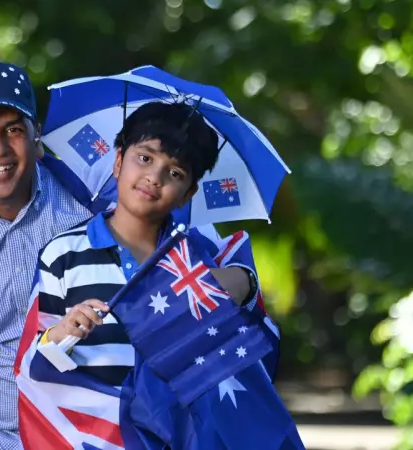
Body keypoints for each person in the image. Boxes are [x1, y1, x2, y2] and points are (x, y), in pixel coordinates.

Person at [0, 64, 255, 450]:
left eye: (13, 130)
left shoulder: (93, 197)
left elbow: (192, 248)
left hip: (98, 428)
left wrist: (242, 279)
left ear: (37, 138)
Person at [20, 101, 299, 449]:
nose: (155, 177)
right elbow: (32, 364)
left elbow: (244, 347)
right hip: (96, 440)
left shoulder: (195, 257)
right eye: (145, 158)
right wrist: (60, 334)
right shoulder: (63, 254)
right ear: (118, 159)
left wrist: (242, 282)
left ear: (189, 193)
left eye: (176, 173)